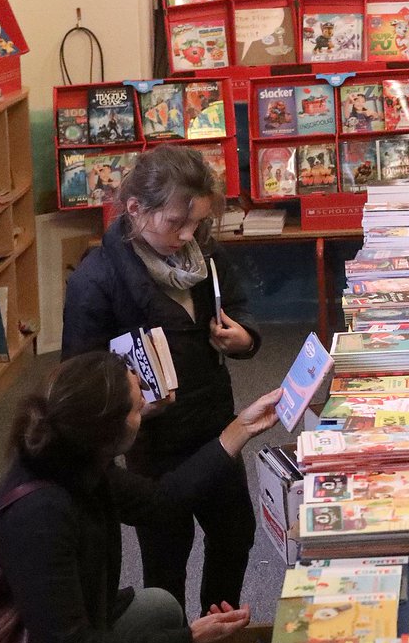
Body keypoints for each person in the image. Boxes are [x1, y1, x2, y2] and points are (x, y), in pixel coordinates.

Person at [0, 352, 283, 643]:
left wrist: (242, 426)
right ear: (109, 428)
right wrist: (188, 642)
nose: (147, 406)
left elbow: (163, 502)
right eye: (138, 405)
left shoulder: (79, 462)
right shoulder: (40, 514)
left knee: (158, 607)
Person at [62, 144, 262, 613]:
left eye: (199, 223)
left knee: (235, 533)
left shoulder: (203, 254)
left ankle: (216, 639)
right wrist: (126, 407)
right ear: (135, 209)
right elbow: (78, 384)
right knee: (166, 555)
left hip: (215, 423)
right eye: (177, 223)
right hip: (153, 443)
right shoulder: (96, 281)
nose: (188, 235)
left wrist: (244, 337)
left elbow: (239, 308)